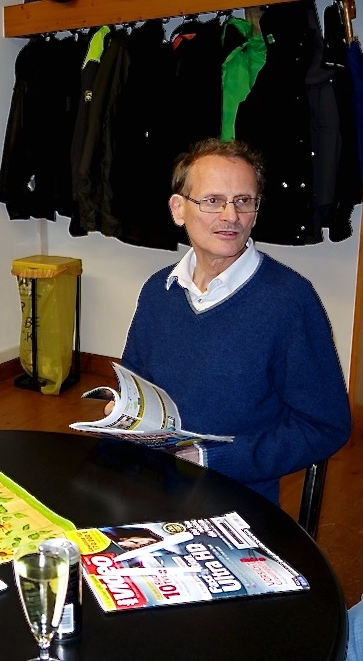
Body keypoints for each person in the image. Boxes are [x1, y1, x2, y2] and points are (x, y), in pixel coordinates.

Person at [120, 138, 350, 505]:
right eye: (213, 201)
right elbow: (136, 386)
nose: (231, 216)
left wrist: (210, 459)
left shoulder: (290, 301)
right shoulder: (158, 290)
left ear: (256, 212)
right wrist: (123, 415)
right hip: (150, 481)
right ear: (178, 209)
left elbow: (324, 426)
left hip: (235, 498)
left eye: (243, 201)